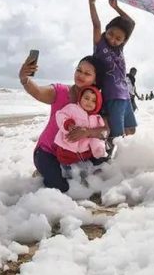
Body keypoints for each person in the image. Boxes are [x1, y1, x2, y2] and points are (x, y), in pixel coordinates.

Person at [20, 54, 108, 193]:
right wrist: (25, 79)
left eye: (87, 73)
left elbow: (105, 130)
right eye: (79, 70)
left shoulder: (95, 101)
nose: (80, 75)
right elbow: (38, 91)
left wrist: (87, 132)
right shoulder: (61, 91)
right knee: (62, 188)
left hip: (74, 155)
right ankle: (43, 171)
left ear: (95, 79)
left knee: (96, 174)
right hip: (47, 152)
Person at [89, 0, 137, 142]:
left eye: (118, 38)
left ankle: (118, 156)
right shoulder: (100, 45)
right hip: (112, 96)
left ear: (123, 40)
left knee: (130, 130)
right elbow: (96, 25)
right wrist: (91, 3)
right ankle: (109, 160)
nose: (113, 39)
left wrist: (115, 7)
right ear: (106, 31)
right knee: (116, 135)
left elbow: (131, 23)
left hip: (125, 96)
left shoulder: (120, 48)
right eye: (110, 34)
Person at [54, 86, 106, 166]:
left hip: (84, 153)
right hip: (67, 150)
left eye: (93, 101)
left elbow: (97, 136)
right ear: (80, 97)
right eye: (86, 98)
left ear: (98, 104)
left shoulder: (97, 118)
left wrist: (98, 147)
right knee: (67, 171)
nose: (89, 102)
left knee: (83, 171)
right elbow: (60, 115)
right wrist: (68, 124)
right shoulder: (72, 108)